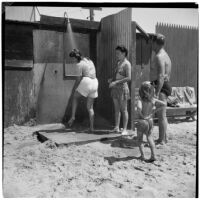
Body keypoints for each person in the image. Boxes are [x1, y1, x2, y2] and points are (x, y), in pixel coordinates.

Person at [67, 49, 98, 132]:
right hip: (95, 82)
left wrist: (76, 89)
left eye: (72, 59)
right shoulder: (89, 60)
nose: (72, 61)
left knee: (75, 97)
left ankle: (73, 117)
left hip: (87, 81)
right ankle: (92, 128)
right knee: (90, 107)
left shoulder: (79, 64)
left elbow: (78, 79)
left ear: (75, 58)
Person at [136, 81, 166, 162]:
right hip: (150, 121)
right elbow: (164, 104)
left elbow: (139, 108)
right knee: (149, 137)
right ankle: (153, 155)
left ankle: (142, 156)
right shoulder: (152, 99)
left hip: (142, 121)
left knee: (140, 139)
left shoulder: (140, 100)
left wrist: (142, 116)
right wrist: (153, 112)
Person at [150, 33, 172, 145]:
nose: (151, 44)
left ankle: (161, 140)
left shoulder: (159, 56)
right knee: (162, 114)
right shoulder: (165, 55)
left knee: (161, 115)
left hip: (161, 86)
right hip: (163, 85)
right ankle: (165, 138)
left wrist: (157, 93)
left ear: (155, 43)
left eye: (152, 42)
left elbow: (161, 76)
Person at [108, 45, 131, 135]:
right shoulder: (118, 63)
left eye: (118, 53)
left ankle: (124, 129)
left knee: (124, 109)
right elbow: (117, 75)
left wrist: (116, 82)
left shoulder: (127, 64)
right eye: (116, 53)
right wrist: (112, 80)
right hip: (115, 88)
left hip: (122, 88)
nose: (116, 55)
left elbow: (129, 78)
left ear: (124, 53)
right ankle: (116, 127)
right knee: (116, 109)